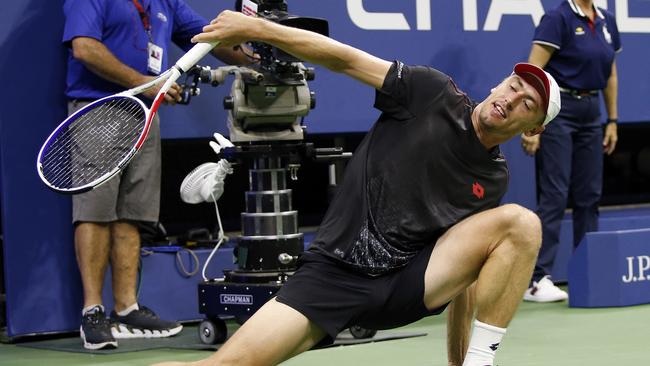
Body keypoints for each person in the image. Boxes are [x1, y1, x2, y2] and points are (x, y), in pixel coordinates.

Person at [156, 10, 561, 366]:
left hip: (405, 286)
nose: (512, 99)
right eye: (513, 86)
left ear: (533, 129)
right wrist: (258, 28)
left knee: (521, 223)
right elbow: (342, 57)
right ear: (497, 85)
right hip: (333, 274)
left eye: (527, 104)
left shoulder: (494, 177)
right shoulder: (429, 91)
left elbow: (464, 277)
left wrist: (459, 361)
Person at [62, 0, 248, 350]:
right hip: (98, 108)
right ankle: (92, 313)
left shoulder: (165, 1)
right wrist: (143, 82)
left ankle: (126, 309)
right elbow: (84, 48)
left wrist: (251, 49)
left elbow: (210, 38)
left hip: (146, 115)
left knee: (133, 214)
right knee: (95, 212)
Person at [520, 0, 621, 303]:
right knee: (555, 193)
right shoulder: (558, 18)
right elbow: (531, 74)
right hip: (558, 111)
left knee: (589, 195)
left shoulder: (606, 20)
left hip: (592, 113)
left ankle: (586, 270)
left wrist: (612, 119)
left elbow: (610, 74)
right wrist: (531, 123)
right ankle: (538, 279)